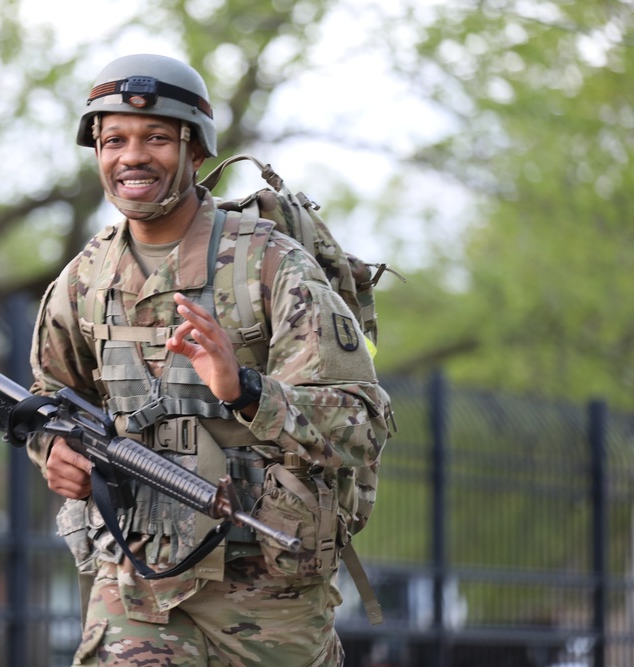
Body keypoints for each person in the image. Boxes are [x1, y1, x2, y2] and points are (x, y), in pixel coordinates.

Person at [26, 53, 392, 667]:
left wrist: (245, 389)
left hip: (267, 595)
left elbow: (360, 426)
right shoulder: (84, 279)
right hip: (137, 584)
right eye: (113, 139)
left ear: (195, 152)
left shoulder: (271, 267)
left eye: (156, 138)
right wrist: (55, 453)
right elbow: (48, 400)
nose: (132, 156)